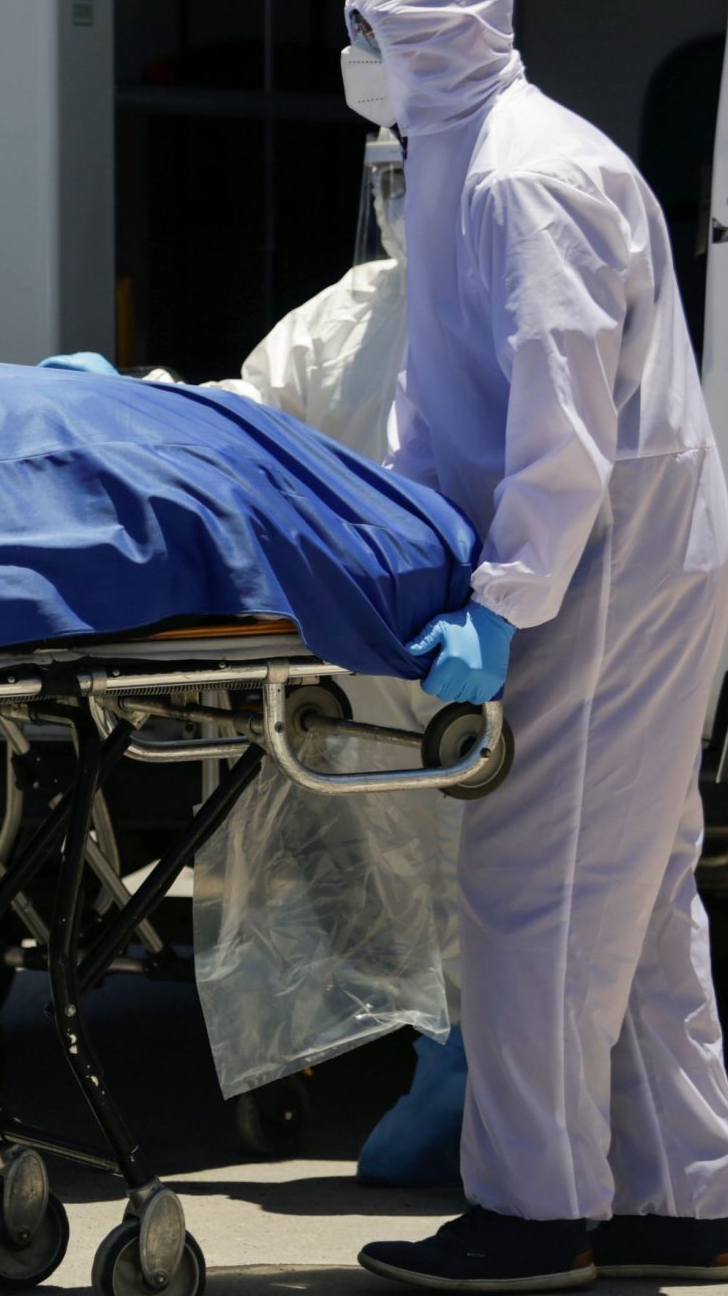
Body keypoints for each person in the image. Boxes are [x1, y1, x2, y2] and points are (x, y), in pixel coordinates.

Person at [341, 0, 728, 1291]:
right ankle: (682, 1199)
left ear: (432, 34)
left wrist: (504, 598)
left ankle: (534, 1213)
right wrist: (406, 527)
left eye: (371, 33)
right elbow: (442, 388)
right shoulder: (452, 158)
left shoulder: (527, 175)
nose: (358, 59)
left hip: (607, 562)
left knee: (539, 885)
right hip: (598, 554)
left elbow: (561, 419)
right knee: (634, 891)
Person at [46, 133, 468, 1185]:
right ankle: (456, 1072)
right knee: (425, 884)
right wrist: (133, 403)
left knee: (517, 888)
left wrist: (510, 603)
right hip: (385, 661)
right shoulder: (351, 316)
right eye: (387, 177)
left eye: (416, 173)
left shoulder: (518, 302)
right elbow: (246, 421)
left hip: (502, 648)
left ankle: (516, 1114)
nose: (399, 201)